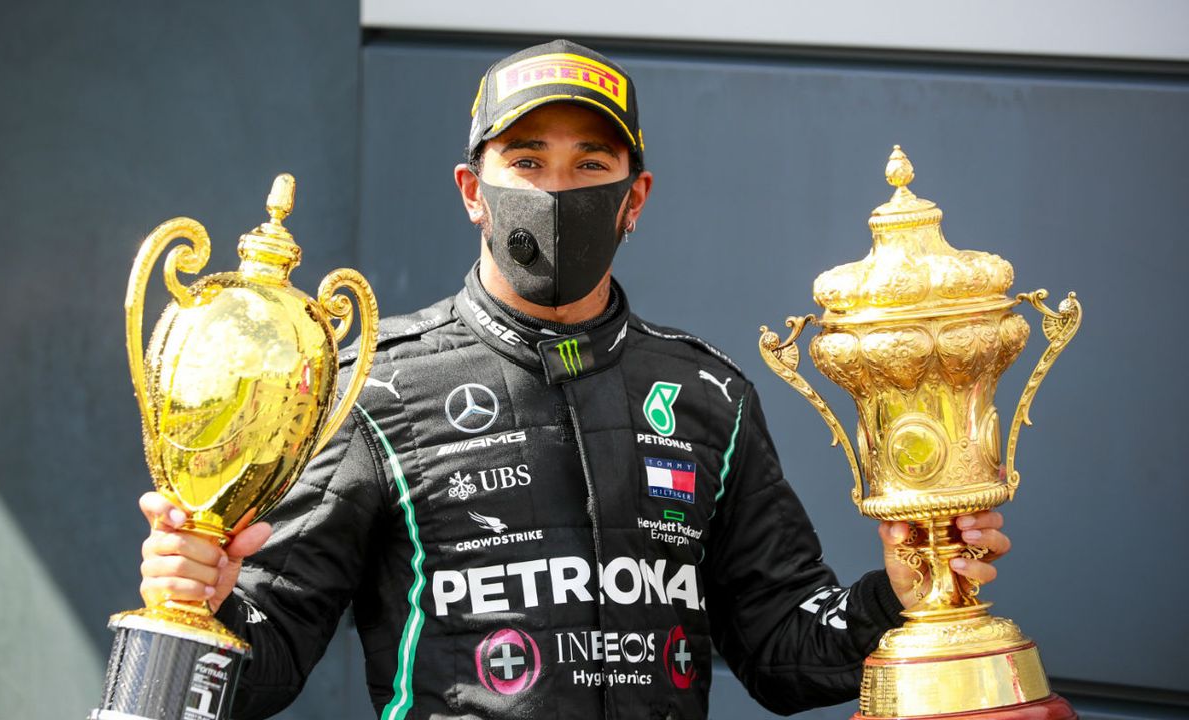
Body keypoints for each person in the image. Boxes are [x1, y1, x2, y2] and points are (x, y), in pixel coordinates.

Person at [137, 39, 1011, 719]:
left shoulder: (708, 396)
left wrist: (897, 596)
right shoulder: (376, 390)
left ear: (637, 197)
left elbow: (784, 650)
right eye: (526, 161)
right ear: (472, 190)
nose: (558, 189)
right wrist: (202, 610)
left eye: (592, 165)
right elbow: (270, 651)